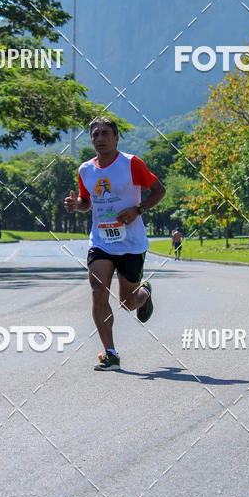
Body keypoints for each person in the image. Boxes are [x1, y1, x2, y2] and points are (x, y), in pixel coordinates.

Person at [64, 117, 166, 371]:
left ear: (116, 137)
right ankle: (110, 353)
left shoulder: (131, 164)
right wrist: (78, 205)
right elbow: (87, 201)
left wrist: (138, 209)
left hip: (131, 243)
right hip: (101, 242)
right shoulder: (85, 170)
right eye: (95, 134)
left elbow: (159, 191)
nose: (100, 138)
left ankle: (146, 293)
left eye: (105, 133)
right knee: (98, 291)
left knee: (128, 303)